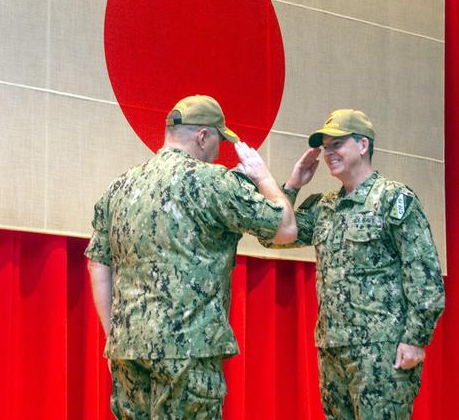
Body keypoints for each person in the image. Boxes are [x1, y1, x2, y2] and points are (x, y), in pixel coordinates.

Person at [85, 94, 297, 419]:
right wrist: (263, 177)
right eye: (218, 142)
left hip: (128, 347)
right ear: (203, 136)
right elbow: (285, 229)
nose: (218, 152)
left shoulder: (120, 186)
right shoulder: (212, 182)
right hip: (189, 351)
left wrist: (116, 333)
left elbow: (98, 262)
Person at [272, 109, 445, 419]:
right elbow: (273, 236)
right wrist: (293, 184)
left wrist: (415, 339)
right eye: (325, 146)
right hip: (333, 349)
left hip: (382, 350)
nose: (328, 153)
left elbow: (425, 274)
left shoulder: (393, 199)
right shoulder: (324, 206)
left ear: (363, 145)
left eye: (337, 144)